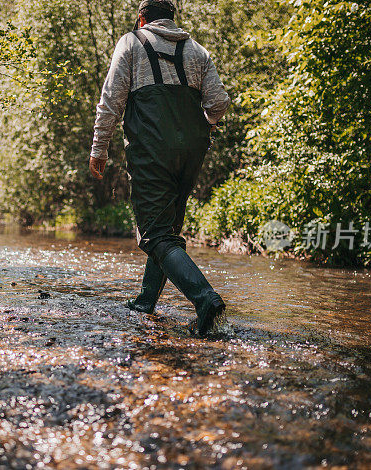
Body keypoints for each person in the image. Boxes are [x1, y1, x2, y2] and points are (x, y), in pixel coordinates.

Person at [88, 0, 230, 337]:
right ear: (171, 19)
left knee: (154, 234)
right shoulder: (197, 50)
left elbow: (111, 101)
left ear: (142, 19)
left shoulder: (131, 42)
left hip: (152, 150)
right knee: (166, 230)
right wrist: (205, 126)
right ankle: (145, 302)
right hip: (192, 151)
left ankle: (205, 298)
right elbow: (219, 102)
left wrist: (99, 151)